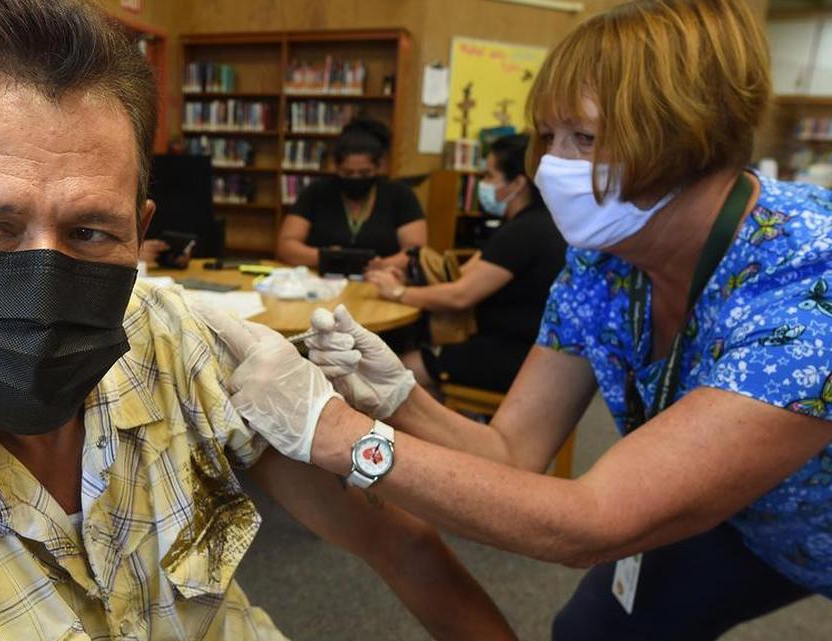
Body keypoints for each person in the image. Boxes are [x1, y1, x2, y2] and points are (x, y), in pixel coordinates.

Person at [0, 2, 517, 640]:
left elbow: (397, 541)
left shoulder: (167, 336)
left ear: (142, 231)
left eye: (90, 233)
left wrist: (355, 430)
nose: (44, 277)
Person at [199, 1, 832, 639]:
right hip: (744, 522)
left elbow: (591, 522)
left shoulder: (812, 274)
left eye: (584, 139)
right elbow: (514, 452)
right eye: (548, 136)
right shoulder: (600, 266)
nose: (550, 167)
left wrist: (335, 435)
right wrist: (399, 399)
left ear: (693, 136)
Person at [365, 134, 566, 393]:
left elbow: (460, 295)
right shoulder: (535, 223)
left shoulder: (523, 232)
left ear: (517, 183)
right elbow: (462, 276)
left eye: (490, 176)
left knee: (394, 372)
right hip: (533, 351)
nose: (483, 184)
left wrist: (398, 292)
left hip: (512, 354)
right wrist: (409, 282)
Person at [276, 119, 426, 271]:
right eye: (348, 172)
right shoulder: (316, 192)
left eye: (364, 173)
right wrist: (323, 257)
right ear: (336, 166)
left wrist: (382, 265)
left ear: (379, 167)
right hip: (323, 281)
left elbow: (416, 252)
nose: (356, 178)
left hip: (382, 280)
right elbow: (285, 245)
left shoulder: (400, 194)